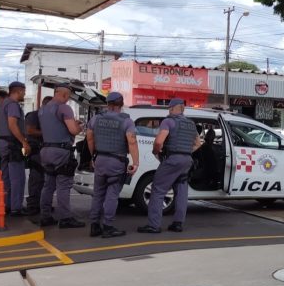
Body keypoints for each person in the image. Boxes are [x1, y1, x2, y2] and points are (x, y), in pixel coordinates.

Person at [137, 98, 201, 234]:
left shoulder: (168, 121)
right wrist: (185, 152)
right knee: (181, 191)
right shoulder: (191, 124)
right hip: (187, 160)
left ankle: (154, 225)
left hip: (172, 159)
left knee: (158, 189)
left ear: (172, 108)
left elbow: (159, 142)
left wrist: (156, 152)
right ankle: (178, 224)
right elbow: (198, 144)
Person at [86, 92, 139, 237]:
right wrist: (136, 162)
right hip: (116, 162)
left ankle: (94, 226)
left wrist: (93, 156)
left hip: (100, 160)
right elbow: (132, 141)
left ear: (107, 104)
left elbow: (89, 138)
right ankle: (108, 227)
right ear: (121, 104)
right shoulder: (126, 121)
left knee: (98, 194)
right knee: (112, 195)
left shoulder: (96, 119)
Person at [39, 83, 85, 228]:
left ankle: (45, 216)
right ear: (65, 94)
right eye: (69, 96)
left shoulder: (43, 109)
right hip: (61, 151)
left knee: (48, 185)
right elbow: (73, 131)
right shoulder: (64, 107)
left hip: (46, 151)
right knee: (64, 186)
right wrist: (79, 126)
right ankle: (65, 218)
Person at [0, 82, 31, 216]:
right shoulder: (12, 105)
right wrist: (24, 142)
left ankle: (6, 205)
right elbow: (12, 124)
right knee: (18, 178)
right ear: (19, 91)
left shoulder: (3, 104)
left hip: (3, 143)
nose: (24, 94)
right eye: (24, 91)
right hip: (12, 145)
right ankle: (16, 208)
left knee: (7, 178)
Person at [24, 96, 50, 215]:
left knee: (45, 180)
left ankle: (41, 204)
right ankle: (33, 205)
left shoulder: (48, 117)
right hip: (36, 151)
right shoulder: (33, 115)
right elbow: (29, 130)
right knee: (36, 178)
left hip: (46, 151)